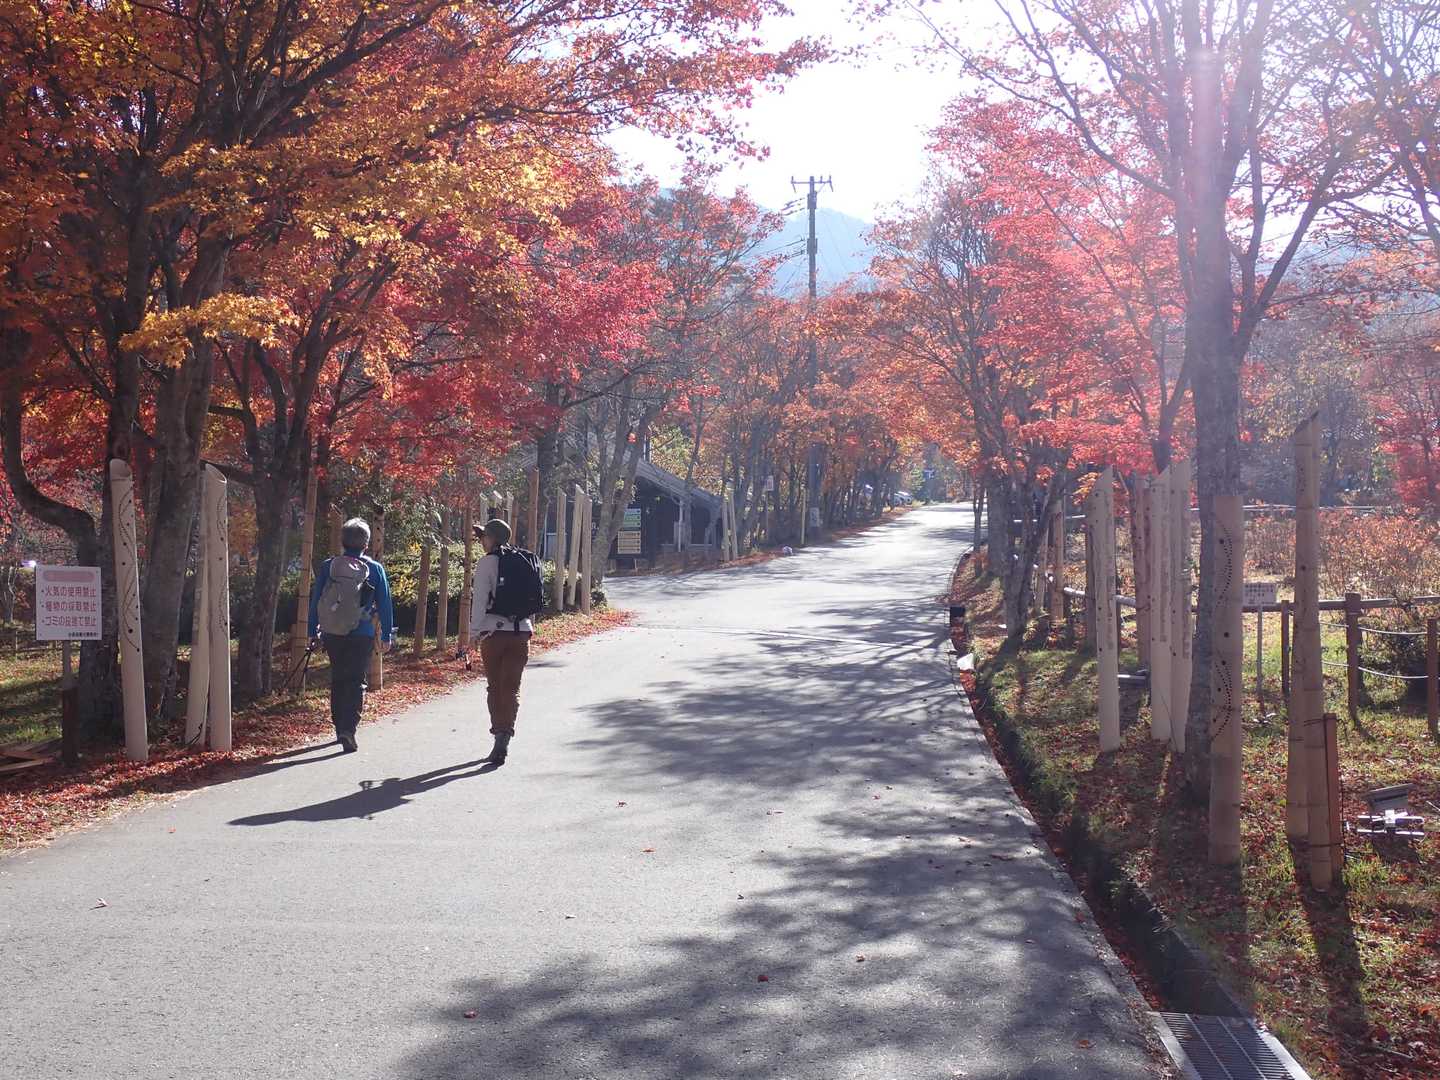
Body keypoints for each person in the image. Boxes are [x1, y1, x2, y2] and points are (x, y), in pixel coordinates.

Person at [309, 517, 394, 752]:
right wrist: (387, 634)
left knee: (338, 677)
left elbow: (317, 600)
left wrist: (312, 630)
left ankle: (339, 727)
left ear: (342, 541)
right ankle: (349, 729)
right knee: (356, 680)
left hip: (332, 631)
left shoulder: (329, 566)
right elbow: (385, 604)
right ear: (366, 543)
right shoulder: (375, 569)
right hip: (362, 632)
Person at [469, 518, 541, 765]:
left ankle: (498, 734)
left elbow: (480, 601)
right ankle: (506, 736)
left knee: (495, 686)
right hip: (521, 633)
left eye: (483, 536)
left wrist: (473, 633)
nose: (481, 541)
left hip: (493, 634)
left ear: (491, 539)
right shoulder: (526, 560)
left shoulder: (487, 563)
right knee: (511, 687)